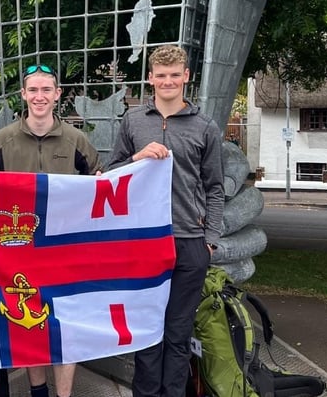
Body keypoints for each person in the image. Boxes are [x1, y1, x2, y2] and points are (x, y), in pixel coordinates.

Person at [0, 64, 103, 397]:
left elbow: (99, 184)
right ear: (23, 94)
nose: (40, 97)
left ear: (57, 94)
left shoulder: (77, 139)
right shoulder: (3, 139)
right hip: (19, 249)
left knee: (66, 327)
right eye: (33, 90)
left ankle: (64, 394)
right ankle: (38, 391)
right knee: (29, 321)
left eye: (46, 90)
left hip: (65, 250)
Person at [107, 44, 224, 397]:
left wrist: (211, 239)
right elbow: (110, 173)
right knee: (146, 331)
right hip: (143, 242)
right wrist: (137, 157)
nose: (168, 81)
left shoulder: (205, 126)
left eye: (175, 75)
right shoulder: (133, 121)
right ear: (150, 78)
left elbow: (215, 187)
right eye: (161, 75)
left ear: (186, 77)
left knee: (177, 332)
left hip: (189, 241)